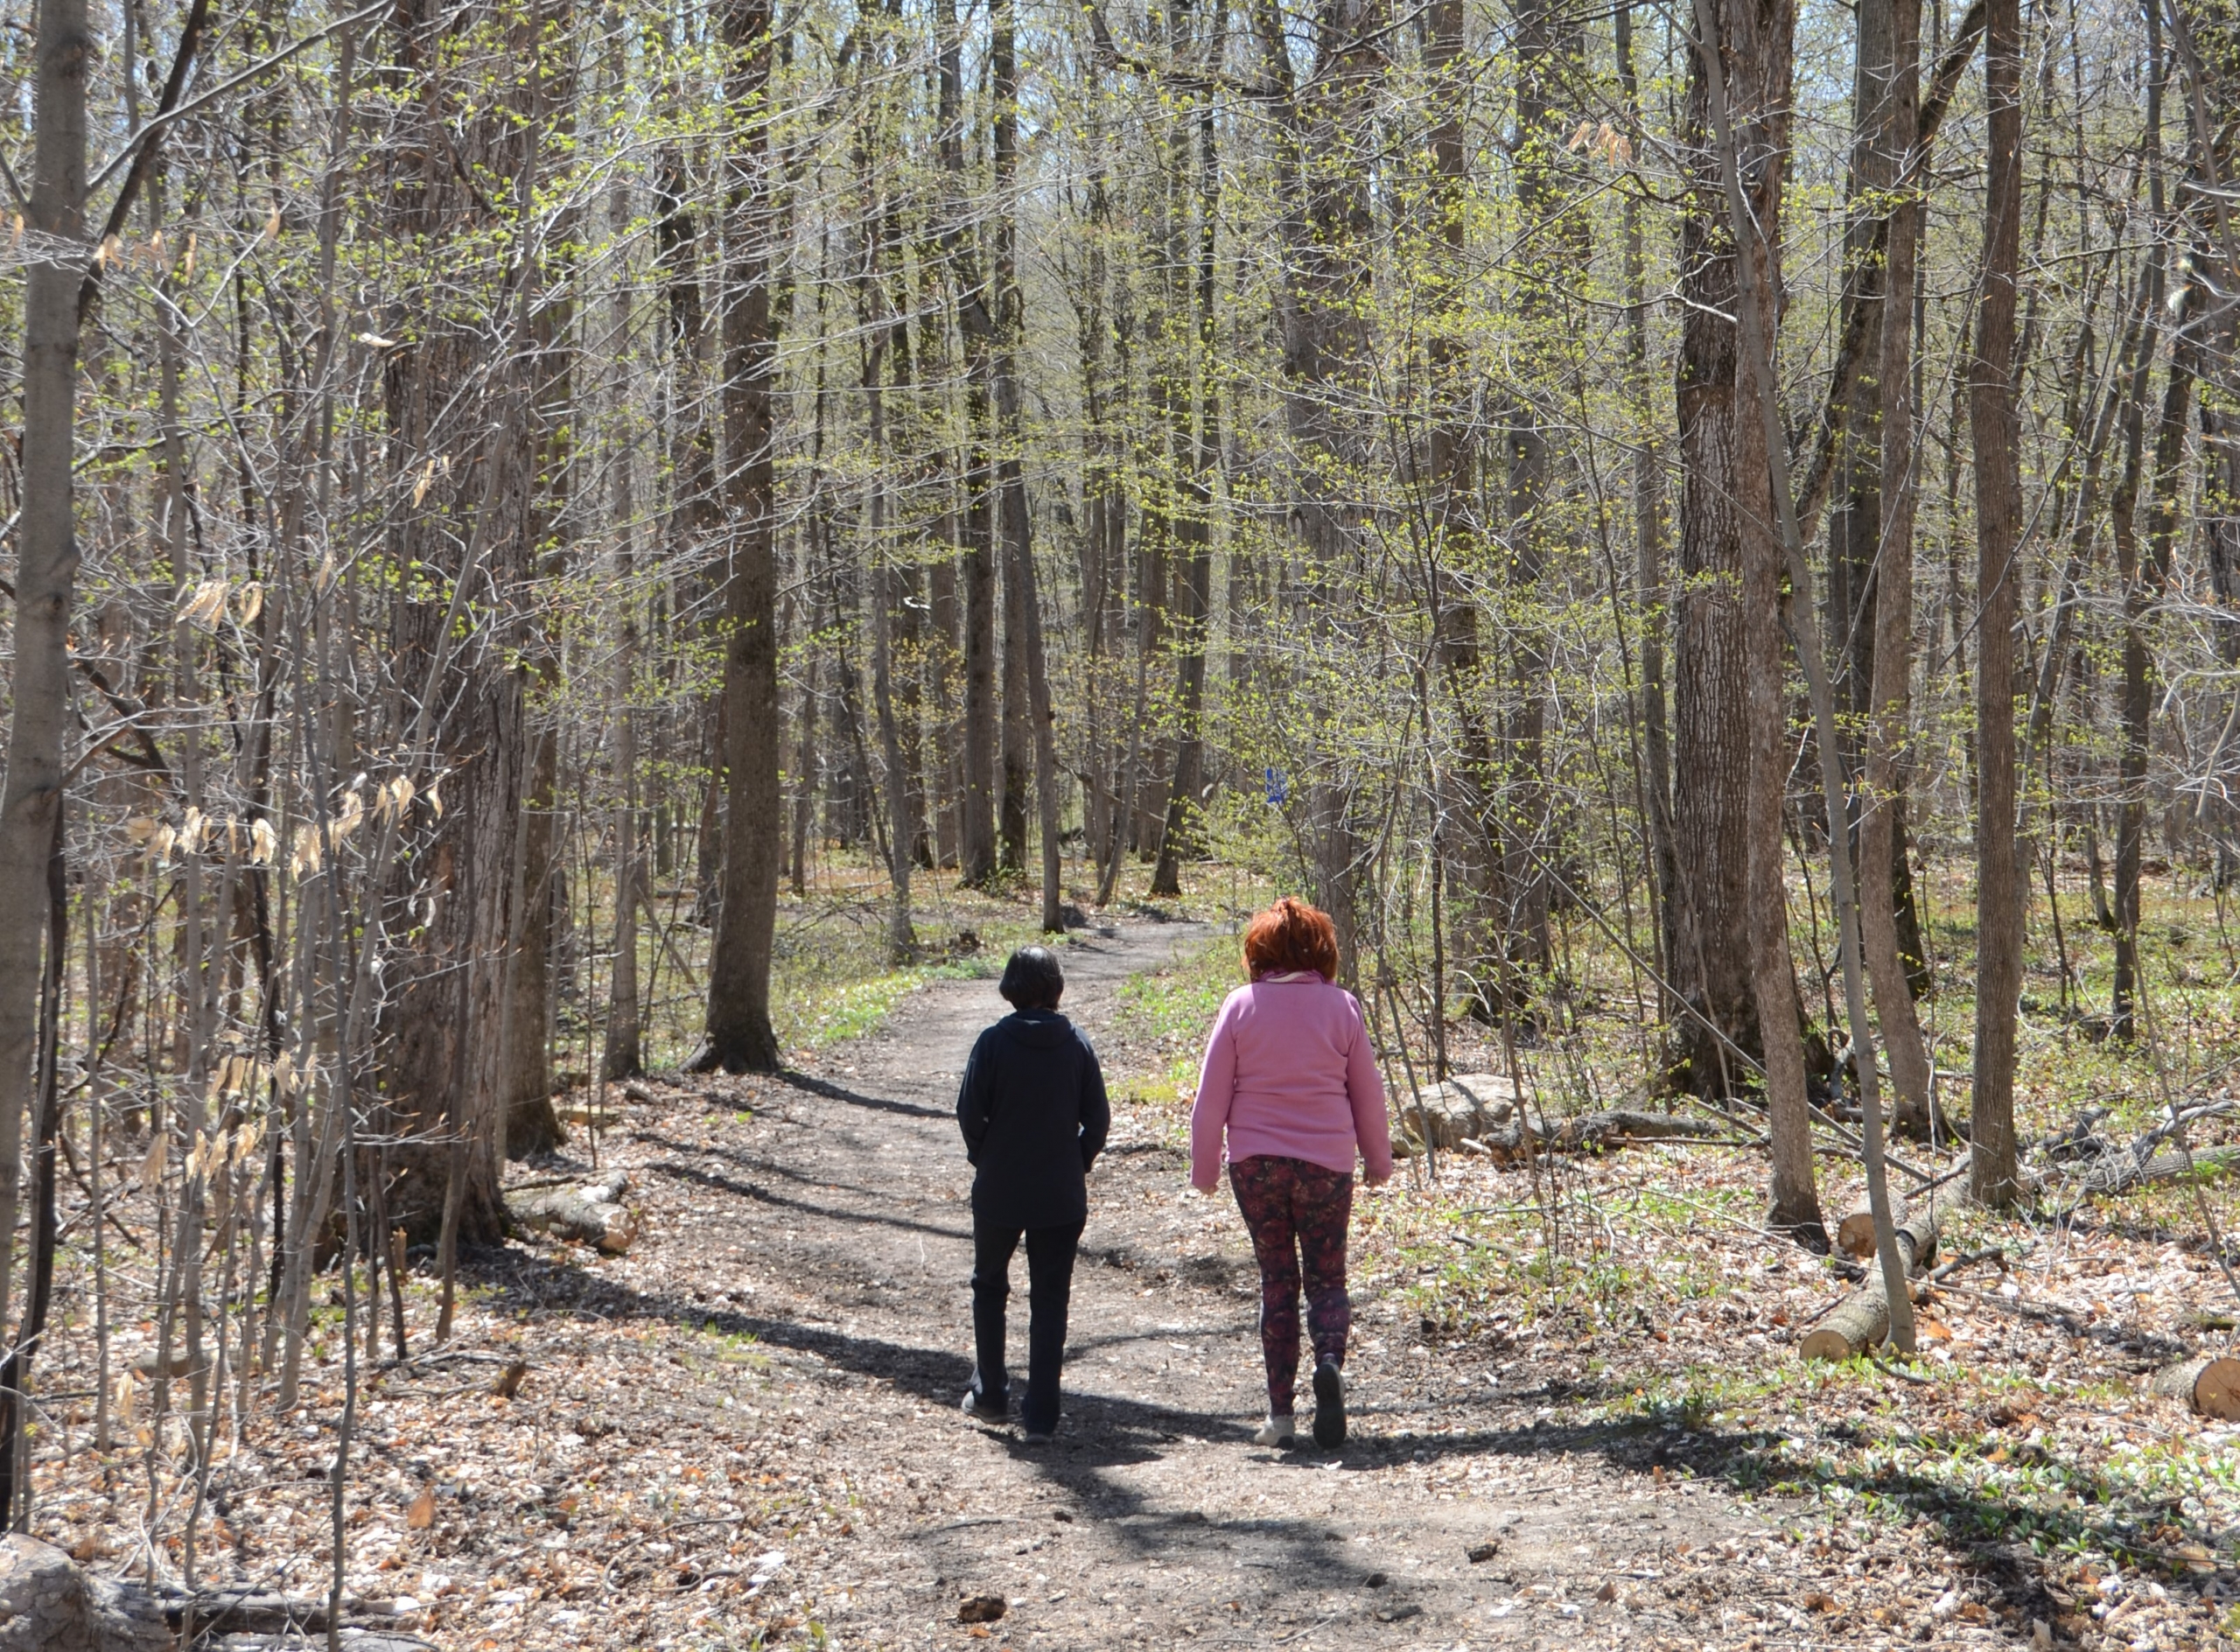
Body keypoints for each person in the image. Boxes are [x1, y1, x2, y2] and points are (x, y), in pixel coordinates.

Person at [1190, 898, 1391, 1448]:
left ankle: (1281, 1418)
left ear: (1259, 953)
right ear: (1322, 953)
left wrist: (1204, 1168)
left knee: (1277, 1281)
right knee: (1328, 1278)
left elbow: (1211, 1099)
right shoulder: (1342, 1008)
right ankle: (1329, 1360)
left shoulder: (1240, 1007)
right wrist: (1378, 1160)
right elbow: (1367, 1095)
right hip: (1327, 1163)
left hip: (1255, 1166)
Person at [956, 945, 1110, 1444]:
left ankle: (992, 1394)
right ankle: (1042, 1414)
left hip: (1000, 1186)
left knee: (989, 1285)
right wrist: (1076, 1161)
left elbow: (968, 1113)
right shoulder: (1077, 1044)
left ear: (1010, 987)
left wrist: (988, 1156)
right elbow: (1099, 1120)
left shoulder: (993, 1043)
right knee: (1050, 1297)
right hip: (1060, 1195)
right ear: (1055, 986)